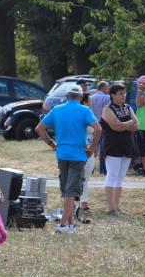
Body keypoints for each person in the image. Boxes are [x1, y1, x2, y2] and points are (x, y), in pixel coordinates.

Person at [35, 85, 100, 233]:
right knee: (71, 191)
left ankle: (70, 224)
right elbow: (98, 129)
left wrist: (52, 144)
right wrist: (91, 147)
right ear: (80, 97)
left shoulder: (57, 109)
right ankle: (63, 225)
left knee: (65, 190)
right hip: (78, 155)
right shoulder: (84, 110)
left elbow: (39, 128)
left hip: (62, 154)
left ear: (66, 96)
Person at [100, 83, 139, 215]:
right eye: (120, 93)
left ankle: (117, 205)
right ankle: (110, 207)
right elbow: (115, 126)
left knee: (120, 177)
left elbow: (136, 125)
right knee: (112, 175)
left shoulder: (128, 108)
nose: (123, 96)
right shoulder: (107, 109)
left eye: (124, 93)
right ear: (112, 95)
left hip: (127, 145)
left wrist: (125, 125)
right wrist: (128, 123)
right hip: (113, 146)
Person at [78, 93, 97, 212]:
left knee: (86, 177)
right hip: (79, 149)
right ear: (84, 102)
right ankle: (73, 202)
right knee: (75, 177)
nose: (92, 103)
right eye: (90, 101)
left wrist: (95, 148)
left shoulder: (90, 114)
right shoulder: (79, 115)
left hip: (90, 149)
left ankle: (84, 202)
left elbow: (95, 133)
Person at [89, 81, 110, 175]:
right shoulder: (108, 98)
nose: (108, 89)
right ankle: (103, 169)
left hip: (93, 124)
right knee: (103, 147)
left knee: (92, 146)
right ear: (103, 87)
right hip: (104, 124)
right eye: (107, 87)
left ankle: (91, 168)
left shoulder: (91, 98)